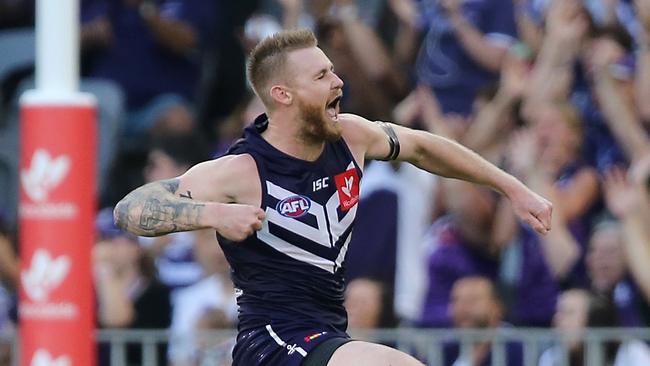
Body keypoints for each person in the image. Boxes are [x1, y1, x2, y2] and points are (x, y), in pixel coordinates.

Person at [113, 29, 552, 366]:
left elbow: (422, 147)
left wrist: (511, 187)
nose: (338, 81)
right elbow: (129, 210)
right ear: (283, 95)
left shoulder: (351, 137)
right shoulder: (240, 170)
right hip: (272, 342)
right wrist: (212, 214)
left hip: (327, 337)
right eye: (322, 75)